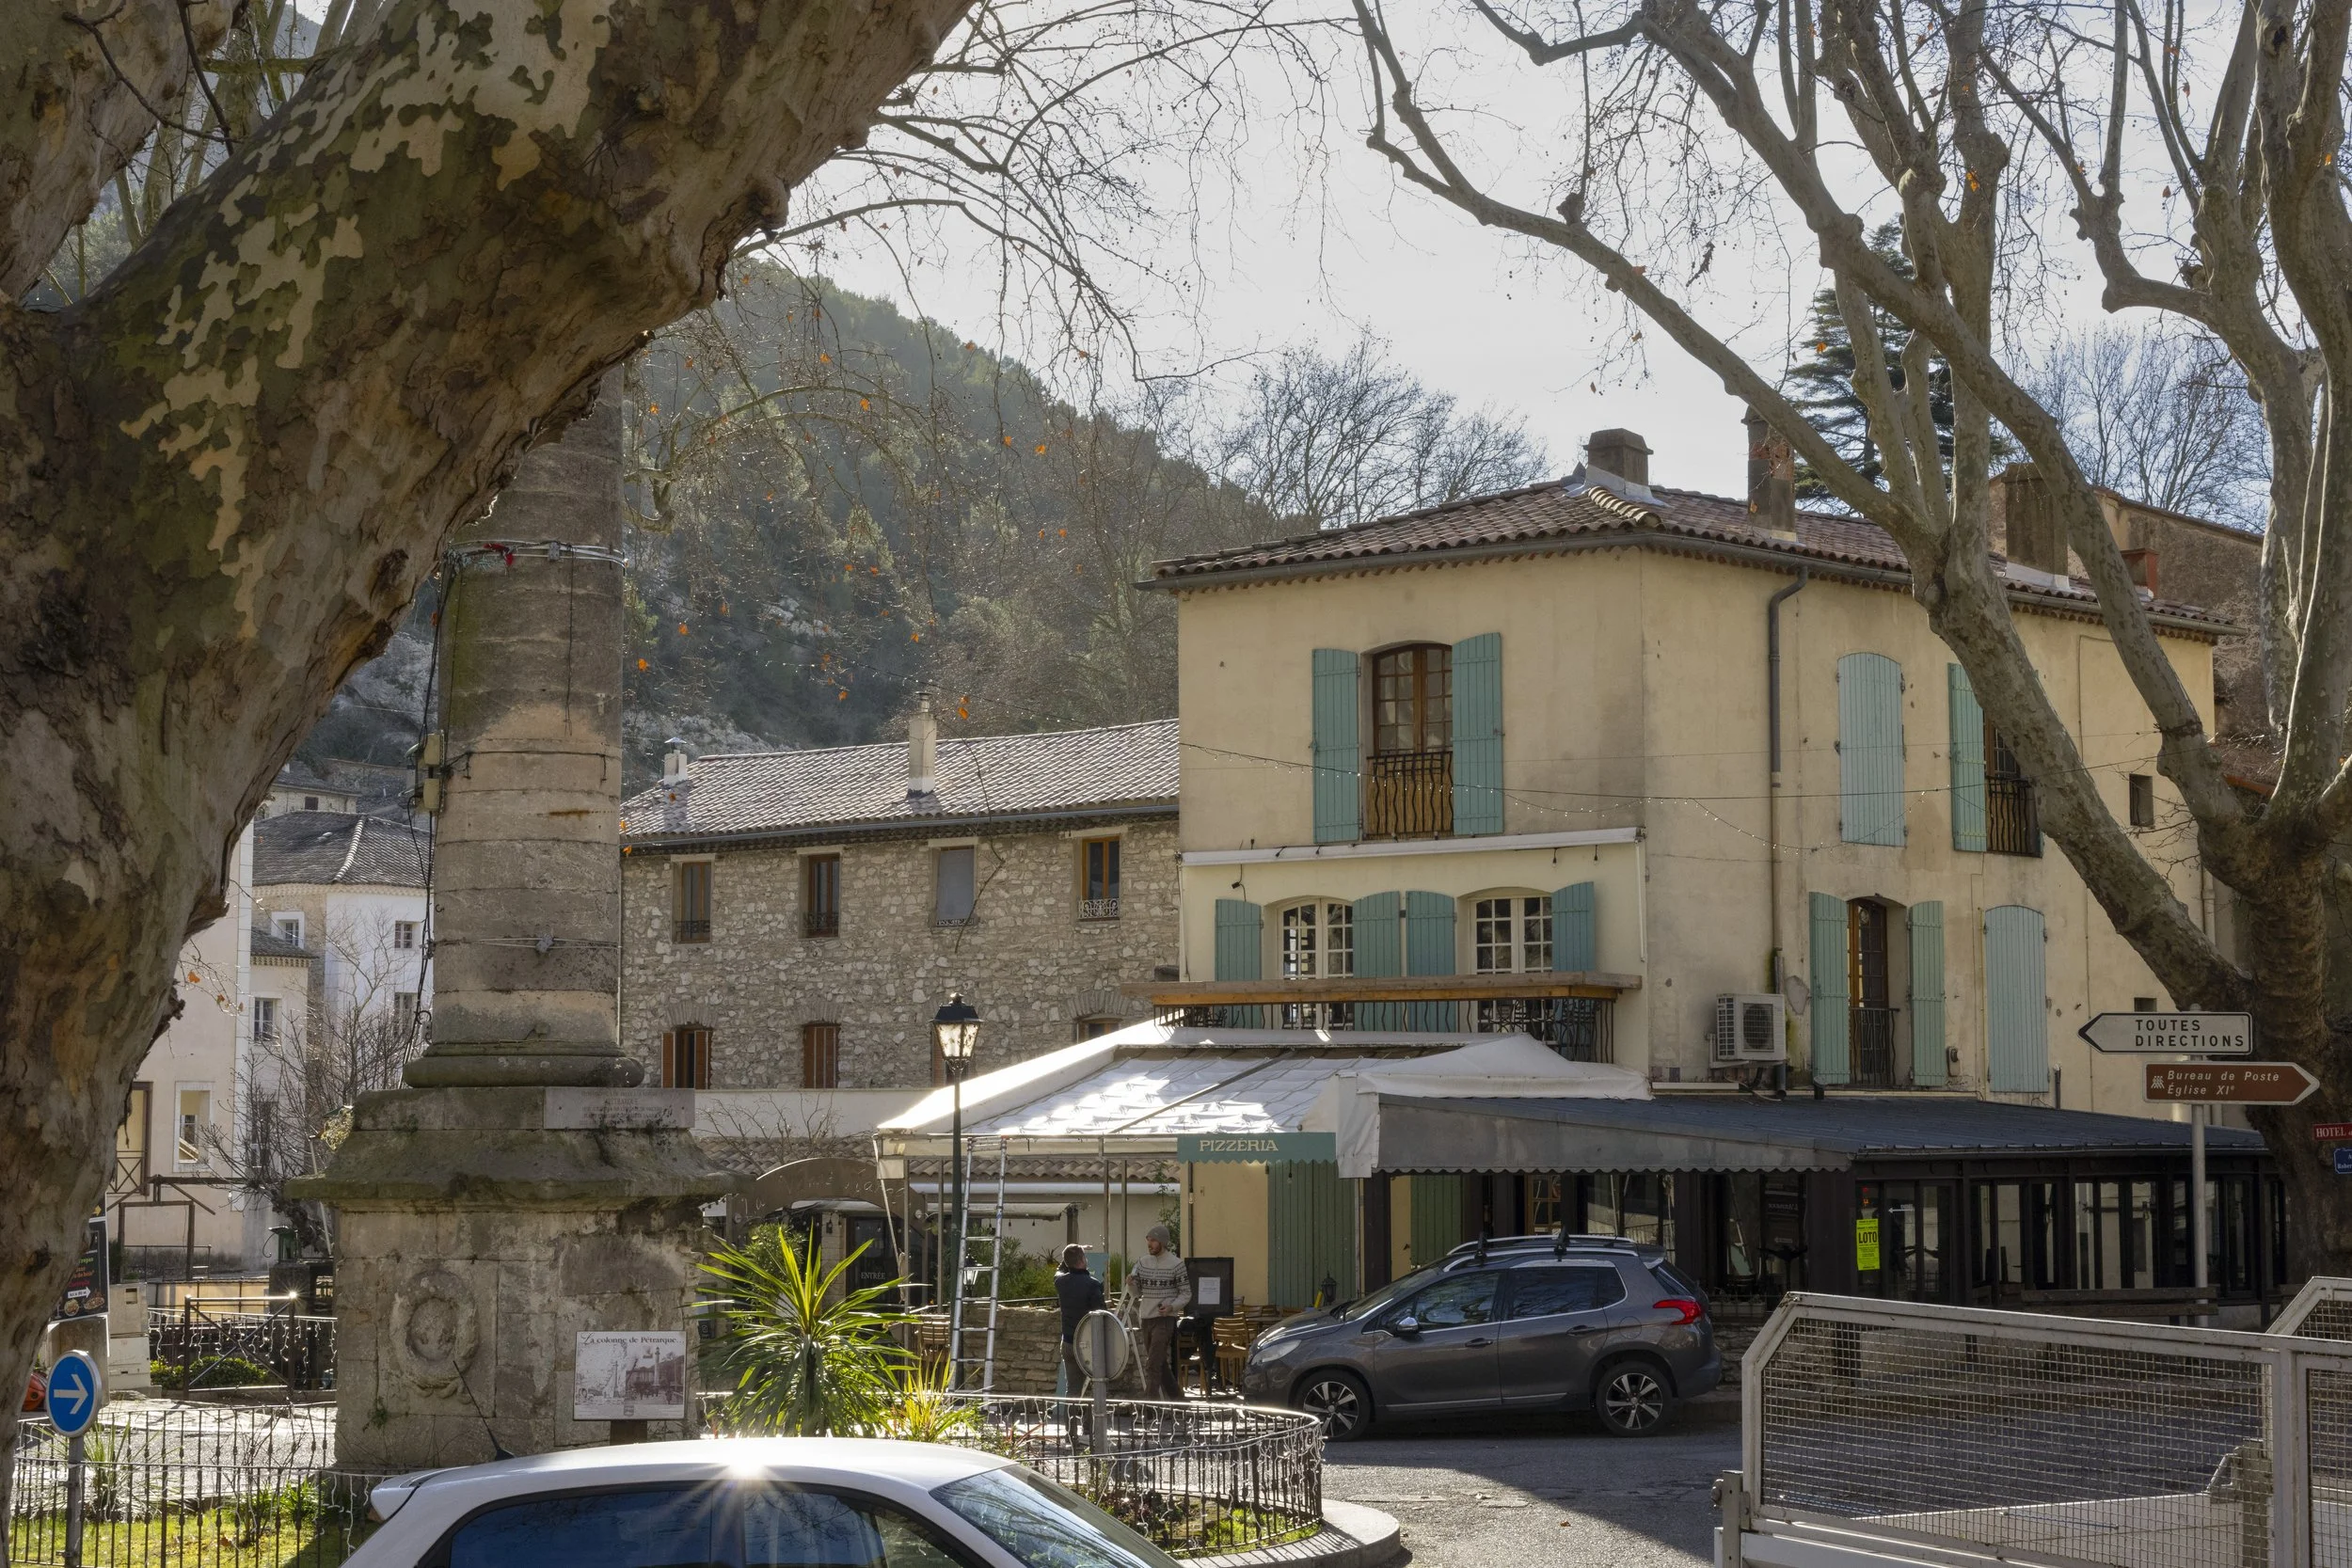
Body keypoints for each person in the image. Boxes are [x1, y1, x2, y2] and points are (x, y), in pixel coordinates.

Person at [1121, 1224, 1189, 1400]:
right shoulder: (1142, 1262)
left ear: (1162, 1242)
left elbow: (1186, 1293)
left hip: (1165, 1319)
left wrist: (1172, 1307)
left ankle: (1150, 1407)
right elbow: (1137, 1294)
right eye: (1148, 1240)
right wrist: (1130, 1284)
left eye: (1153, 1240)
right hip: (1146, 1319)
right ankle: (1179, 1401)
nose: (1149, 1244)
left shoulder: (1177, 1264)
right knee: (1160, 1364)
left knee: (1152, 1364)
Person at [1053, 1243, 1104, 1394]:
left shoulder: (1060, 1282)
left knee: (1073, 1389)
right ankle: (1091, 1418)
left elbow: (1060, 1270)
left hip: (1067, 1342)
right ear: (1082, 1260)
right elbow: (1100, 1314)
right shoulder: (1092, 1285)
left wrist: (1069, 1255)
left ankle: (1071, 1418)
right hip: (1087, 1343)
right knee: (1092, 1388)